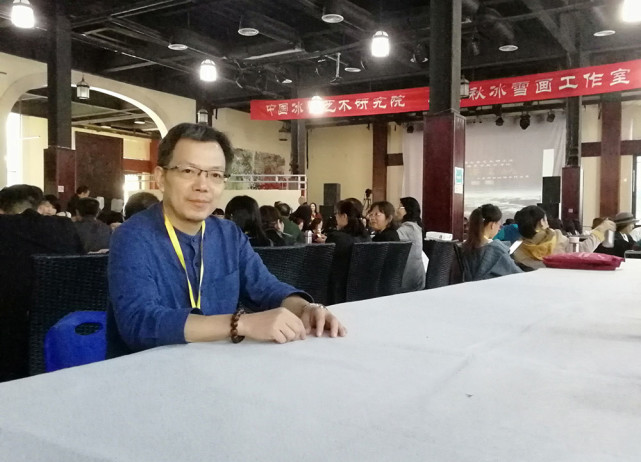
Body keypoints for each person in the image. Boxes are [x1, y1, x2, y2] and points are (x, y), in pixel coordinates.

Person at [108, 123, 345, 354]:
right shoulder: (132, 237)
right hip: (149, 370)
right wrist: (240, 324)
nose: (203, 186)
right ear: (161, 177)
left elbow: (266, 288)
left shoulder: (228, 234)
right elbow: (139, 323)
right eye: (188, 171)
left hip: (217, 364)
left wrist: (305, 308)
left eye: (215, 175)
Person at [0, 184, 84, 381]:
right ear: (40, 205)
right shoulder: (65, 227)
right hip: (64, 329)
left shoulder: (4, 228)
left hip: (10, 334)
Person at [513, 205, 615, 269]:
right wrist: (600, 231)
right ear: (542, 223)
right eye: (546, 219)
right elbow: (582, 251)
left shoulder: (516, 248)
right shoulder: (556, 238)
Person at [325, 200, 371, 304]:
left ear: (344, 216)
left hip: (337, 291)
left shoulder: (336, 237)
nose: (335, 217)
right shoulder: (366, 237)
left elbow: (326, 263)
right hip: (362, 288)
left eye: (337, 213)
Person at [461, 204, 522, 281]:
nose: (499, 228)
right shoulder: (496, 250)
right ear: (492, 225)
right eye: (499, 224)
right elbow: (518, 274)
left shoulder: (464, 247)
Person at [395, 197, 426, 292]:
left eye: (400, 207)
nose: (397, 210)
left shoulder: (409, 228)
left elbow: (391, 238)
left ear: (408, 210)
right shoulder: (416, 226)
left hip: (408, 281)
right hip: (417, 278)